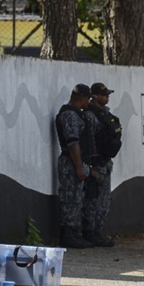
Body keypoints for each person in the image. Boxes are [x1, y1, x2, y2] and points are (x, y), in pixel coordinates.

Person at [54, 84, 98, 249]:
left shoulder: (77, 114)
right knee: (69, 200)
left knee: (76, 200)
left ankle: (74, 233)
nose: (90, 102)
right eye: (88, 99)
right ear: (81, 99)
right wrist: (79, 167)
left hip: (77, 162)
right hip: (70, 164)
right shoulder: (69, 115)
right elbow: (73, 143)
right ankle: (67, 234)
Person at [82, 82, 122, 248]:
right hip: (95, 164)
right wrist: (90, 166)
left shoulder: (105, 114)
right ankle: (89, 232)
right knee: (92, 200)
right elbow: (88, 141)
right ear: (95, 96)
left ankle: (97, 232)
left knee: (103, 201)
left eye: (107, 95)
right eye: (104, 95)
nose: (107, 97)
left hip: (105, 163)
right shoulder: (90, 115)